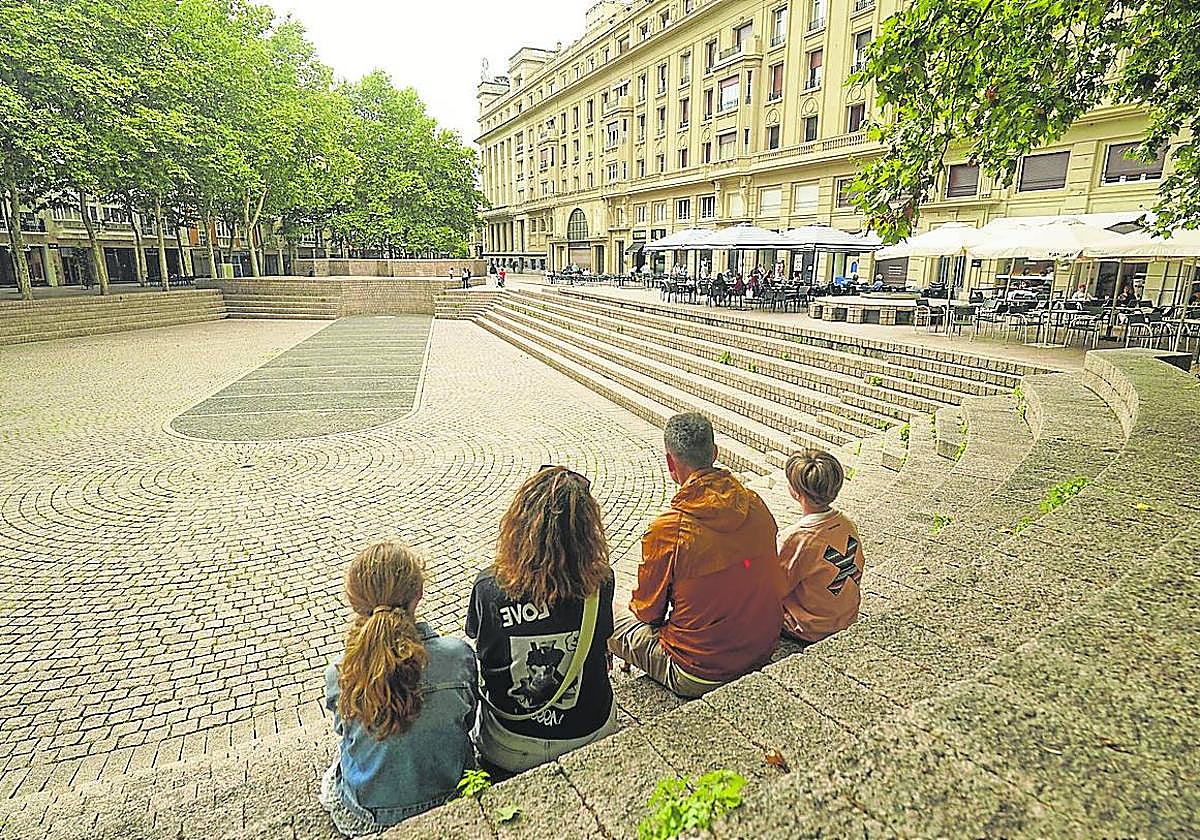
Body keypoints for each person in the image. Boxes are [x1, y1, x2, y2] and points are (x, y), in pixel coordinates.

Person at [608, 413, 785, 698]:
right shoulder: (755, 502)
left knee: (607, 613)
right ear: (714, 453)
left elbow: (647, 612)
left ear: (670, 463)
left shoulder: (668, 530)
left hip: (699, 669)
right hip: (763, 647)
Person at [467, 466, 617, 773]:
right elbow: (603, 646)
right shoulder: (600, 583)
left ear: (520, 524)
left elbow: (480, 645)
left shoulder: (489, 588)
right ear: (588, 532)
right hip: (589, 729)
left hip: (510, 742)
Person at [320, 541, 477, 836]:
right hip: (451, 794)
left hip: (370, 813)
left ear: (355, 604)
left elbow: (345, 731)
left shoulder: (340, 675)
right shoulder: (458, 656)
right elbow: (468, 722)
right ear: (418, 595)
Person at [777, 451, 865, 644]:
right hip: (846, 617)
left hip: (811, 627)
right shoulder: (847, 523)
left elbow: (775, 588)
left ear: (795, 492)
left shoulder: (795, 538)